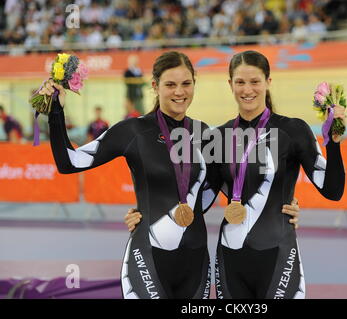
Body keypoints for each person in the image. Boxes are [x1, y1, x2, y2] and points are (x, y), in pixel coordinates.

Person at [38, 51, 299, 299]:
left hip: (195, 262)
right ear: (155, 85)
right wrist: (56, 113)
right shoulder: (133, 131)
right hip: (148, 256)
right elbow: (70, 163)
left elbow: (233, 185)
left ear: (194, 85)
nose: (179, 91)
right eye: (170, 84)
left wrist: (284, 207)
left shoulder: (206, 135)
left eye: (186, 83)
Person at [126, 50, 346, 299]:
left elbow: (333, 191)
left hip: (278, 252)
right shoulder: (218, 137)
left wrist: (334, 143)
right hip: (230, 257)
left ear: (268, 82)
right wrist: (146, 213)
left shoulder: (293, 131)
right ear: (230, 84)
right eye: (240, 82)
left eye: (255, 81)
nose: (247, 89)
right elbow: (197, 197)